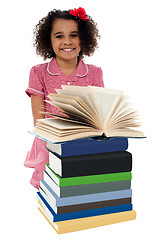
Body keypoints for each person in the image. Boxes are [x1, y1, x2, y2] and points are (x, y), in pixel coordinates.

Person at [24, 7, 105, 189]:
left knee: (81, 192)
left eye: (74, 35)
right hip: (49, 147)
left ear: (83, 39)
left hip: (83, 146)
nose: (67, 42)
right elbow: (40, 122)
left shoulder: (94, 73)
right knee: (51, 193)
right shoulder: (38, 73)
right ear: (48, 40)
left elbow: (99, 115)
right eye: (59, 36)